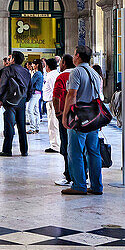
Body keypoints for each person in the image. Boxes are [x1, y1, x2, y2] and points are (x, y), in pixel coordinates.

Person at [62, 46, 104, 196]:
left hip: (79, 116)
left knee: (75, 151)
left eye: (74, 54)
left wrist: (65, 115)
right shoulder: (94, 72)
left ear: (78, 56)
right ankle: (97, 186)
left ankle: (79, 185)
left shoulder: (76, 72)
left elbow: (72, 95)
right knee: (93, 151)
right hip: (93, 116)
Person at [0, 51, 31, 157]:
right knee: (22, 126)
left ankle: (7, 150)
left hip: (10, 100)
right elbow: (30, 87)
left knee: (9, 126)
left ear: (13, 59)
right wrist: (26, 98)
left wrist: (0, 98)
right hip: (22, 100)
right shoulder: (26, 71)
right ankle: (24, 150)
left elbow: (3, 85)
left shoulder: (8, 70)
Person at [52, 54, 76, 187]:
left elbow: (56, 97)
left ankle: (68, 175)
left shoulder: (62, 76)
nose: (60, 65)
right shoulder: (83, 74)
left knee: (66, 144)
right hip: (80, 114)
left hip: (65, 115)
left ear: (65, 63)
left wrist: (57, 112)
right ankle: (82, 174)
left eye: (61, 62)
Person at [42, 57, 61, 153]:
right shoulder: (53, 74)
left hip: (52, 102)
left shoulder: (52, 76)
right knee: (53, 123)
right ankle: (55, 144)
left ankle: (55, 146)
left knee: (53, 124)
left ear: (48, 66)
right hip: (51, 102)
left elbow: (55, 90)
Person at [26, 59, 45, 133]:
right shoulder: (40, 73)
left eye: (33, 64)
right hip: (38, 93)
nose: (32, 65)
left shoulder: (37, 73)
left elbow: (31, 82)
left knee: (29, 110)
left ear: (36, 65)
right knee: (36, 110)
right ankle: (37, 127)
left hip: (34, 93)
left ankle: (32, 127)